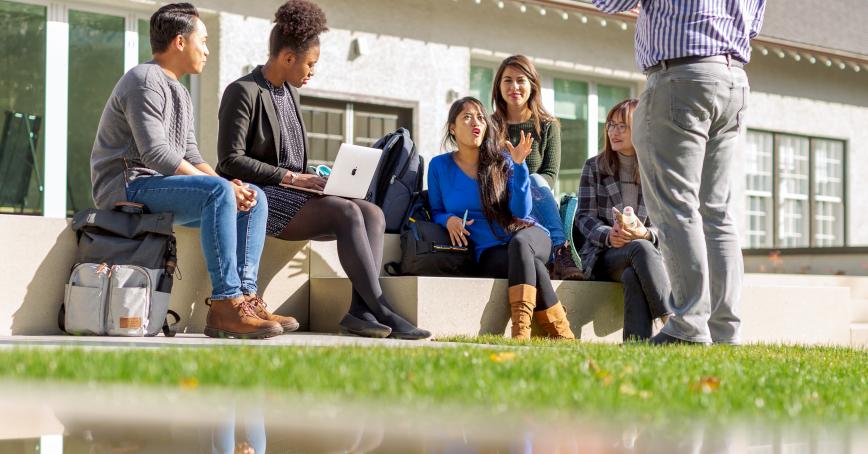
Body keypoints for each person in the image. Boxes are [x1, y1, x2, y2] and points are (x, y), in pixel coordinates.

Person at [216, 0, 430, 340]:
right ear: (287, 58)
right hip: (263, 198)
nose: (313, 71)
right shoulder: (243, 92)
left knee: (372, 212)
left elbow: (293, 159)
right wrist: (292, 178)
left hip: (295, 194)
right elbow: (229, 159)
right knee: (346, 212)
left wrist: (318, 176)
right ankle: (379, 306)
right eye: (310, 63)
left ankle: (360, 311)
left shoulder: (290, 94)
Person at [90, 3, 285, 339]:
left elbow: (190, 153)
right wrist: (220, 187)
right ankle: (226, 303)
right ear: (180, 42)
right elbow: (157, 154)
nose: (207, 50)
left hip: (160, 186)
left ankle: (246, 300)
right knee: (220, 191)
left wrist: (230, 185)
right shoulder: (144, 79)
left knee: (255, 198)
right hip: (127, 186)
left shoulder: (179, 90)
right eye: (203, 41)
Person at [591, 0, 766, 345]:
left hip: (680, 77)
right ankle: (724, 331)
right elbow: (753, 24)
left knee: (676, 208)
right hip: (732, 79)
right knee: (715, 212)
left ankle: (688, 327)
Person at [428, 97, 575, 340]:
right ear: (452, 128)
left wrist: (519, 167)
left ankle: (521, 331)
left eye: (480, 117)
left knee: (520, 245)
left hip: (527, 234)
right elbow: (436, 210)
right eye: (467, 117)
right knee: (534, 267)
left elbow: (521, 211)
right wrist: (448, 220)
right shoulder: (439, 166)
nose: (475, 122)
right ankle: (561, 331)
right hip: (487, 250)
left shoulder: (502, 160)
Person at [575, 99, 672, 341]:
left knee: (634, 268)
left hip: (645, 257)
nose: (614, 132)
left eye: (622, 126)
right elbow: (584, 217)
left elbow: (671, 225)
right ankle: (673, 324)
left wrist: (647, 233)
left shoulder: (657, 172)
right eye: (611, 125)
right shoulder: (594, 167)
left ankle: (636, 345)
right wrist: (609, 234)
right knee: (638, 249)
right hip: (604, 255)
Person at [490, 55, 584, 281]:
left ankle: (562, 251)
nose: (514, 87)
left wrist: (524, 184)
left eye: (521, 80)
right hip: (501, 201)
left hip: (535, 203)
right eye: (508, 80)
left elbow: (550, 175)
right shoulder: (490, 126)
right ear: (498, 86)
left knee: (535, 179)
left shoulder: (548, 125)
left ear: (532, 85)